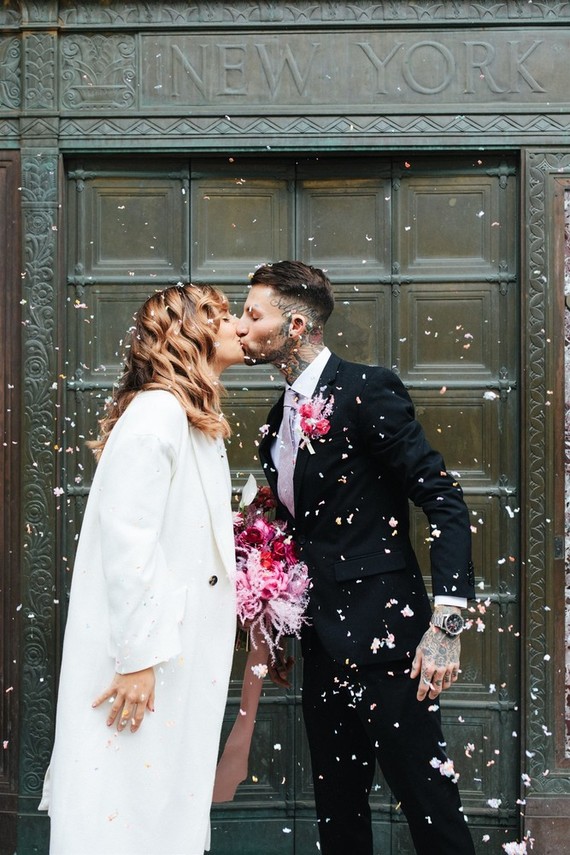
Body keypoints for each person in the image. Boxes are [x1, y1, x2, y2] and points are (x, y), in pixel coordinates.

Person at [236, 261, 476, 855]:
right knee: (339, 818)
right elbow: (300, 535)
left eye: (252, 314)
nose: (240, 327)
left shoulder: (368, 389)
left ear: (294, 327)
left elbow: (443, 501)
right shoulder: (274, 427)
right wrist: (277, 623)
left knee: (430, 806)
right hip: (321, 645)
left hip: (389, 643)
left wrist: (446, 627)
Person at [40, 284, 244, 855]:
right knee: (123, 806)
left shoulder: (189, 418)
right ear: (190, 333)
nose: (235, 325)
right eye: (221, 316)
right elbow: (130, 545)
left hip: (172, 660)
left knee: (156, 807)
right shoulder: (158, 414)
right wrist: (137, 659)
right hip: (143, 667)